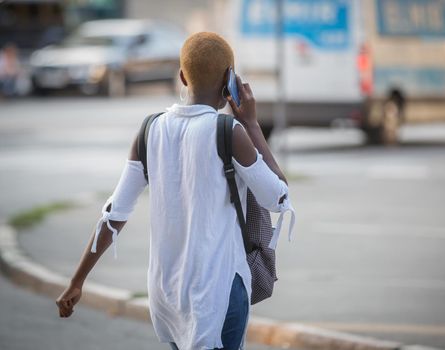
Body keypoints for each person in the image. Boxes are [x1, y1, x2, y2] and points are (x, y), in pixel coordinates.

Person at [55, 32, 295, 350]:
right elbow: (277, 197)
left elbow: (114, 214)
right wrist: (251, 124)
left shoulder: (150, 129)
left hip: (167, 295)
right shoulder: (230, 131)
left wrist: (77, 281)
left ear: (182, 76)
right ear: (230, 80)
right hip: (219, 292)